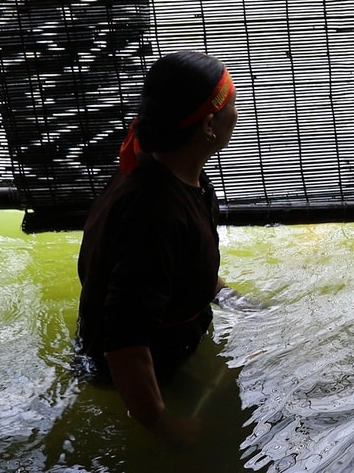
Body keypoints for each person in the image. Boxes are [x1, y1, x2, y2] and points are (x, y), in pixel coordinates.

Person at [76, 51, 236, 445]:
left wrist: (231, 297)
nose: (241, 114)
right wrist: (163, 426)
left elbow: (178, 265)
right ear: (210, 126)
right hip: (138, 367)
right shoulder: (155, 213)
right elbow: (125, 341)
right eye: (235, 106)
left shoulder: (169, 172)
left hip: (161, 343)